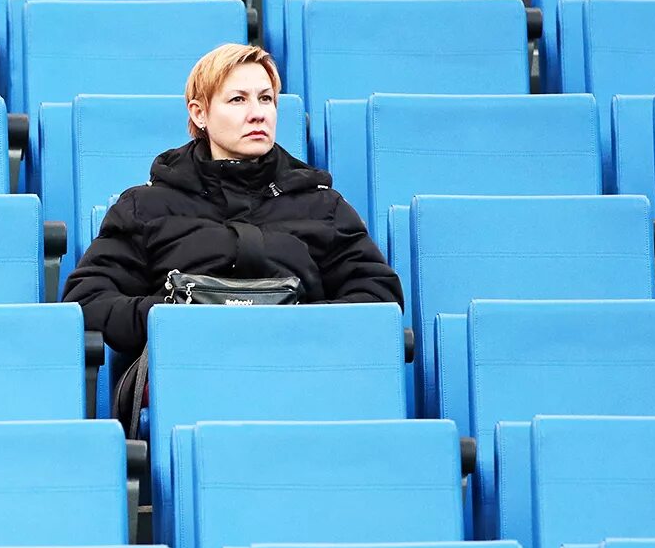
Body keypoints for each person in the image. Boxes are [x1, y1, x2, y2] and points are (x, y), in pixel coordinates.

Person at [62, 43, 402, 366]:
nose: (257, 114)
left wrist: (296, 321)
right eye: (238, 100)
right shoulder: (146, 206)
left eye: (266, 99)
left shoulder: (322, 204)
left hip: (300, 374)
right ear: (199, 113)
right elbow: (87, 298)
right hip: (187, 375)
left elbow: (378, 296)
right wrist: (174, 315)